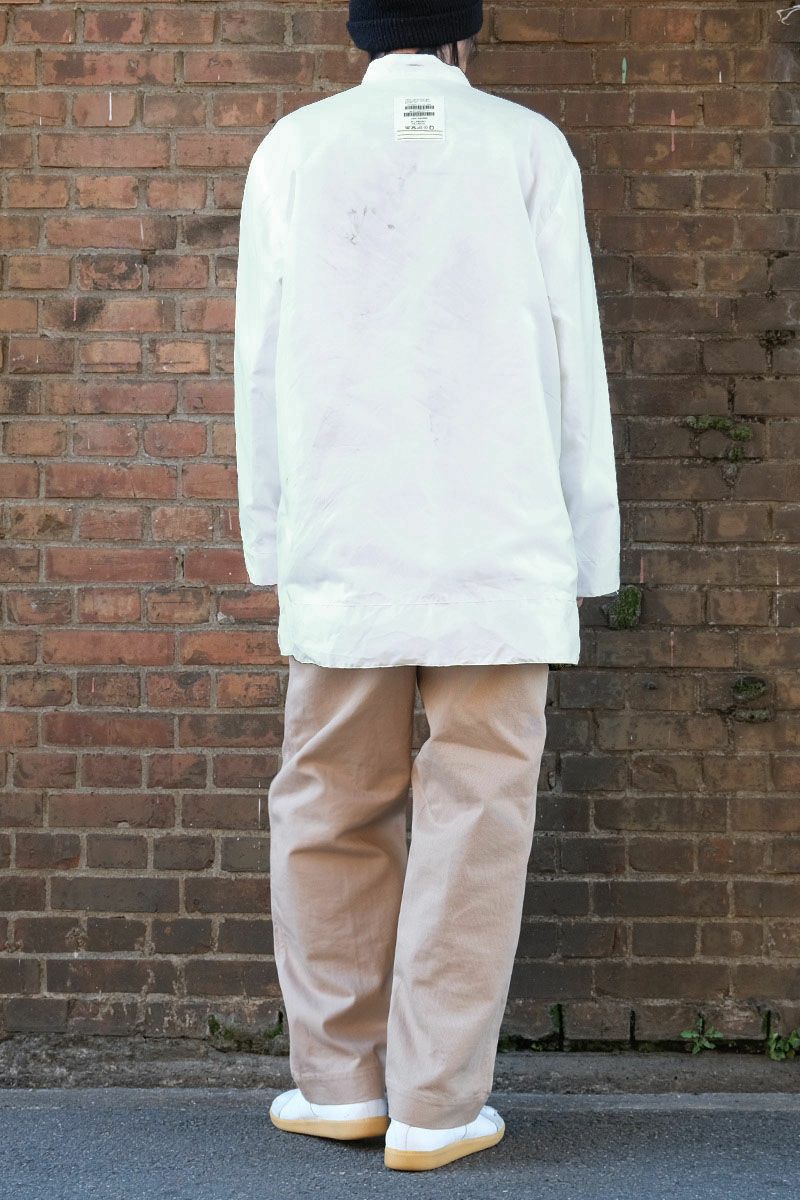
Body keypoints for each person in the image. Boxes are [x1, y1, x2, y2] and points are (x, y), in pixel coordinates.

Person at [233, 0, 620, 1173]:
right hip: (500, 547)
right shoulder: (527, 147)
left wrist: (274, 542)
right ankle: (436, 1107)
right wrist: (583, 554)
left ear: (361, 31)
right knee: (475, 820)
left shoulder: (296, 147)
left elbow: (260, 362)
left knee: (327, 807)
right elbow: (573, 358)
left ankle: (338, 1088)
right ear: (464, 33)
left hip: (345, 541)